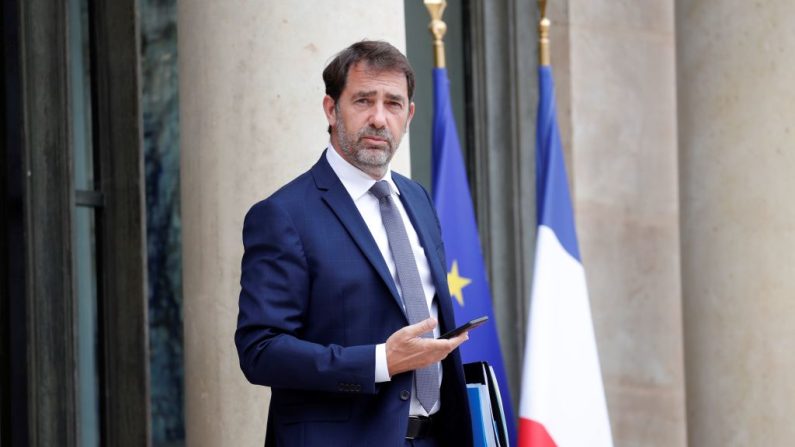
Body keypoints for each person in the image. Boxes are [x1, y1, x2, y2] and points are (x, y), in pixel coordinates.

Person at [235, 40, 473, 447]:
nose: (379, 119)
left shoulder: (417, 198)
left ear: (409, 114)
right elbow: (260, 351)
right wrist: (379, 362)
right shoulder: (283, 215)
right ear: (331, 109)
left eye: (393, 104)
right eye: (364, 100)